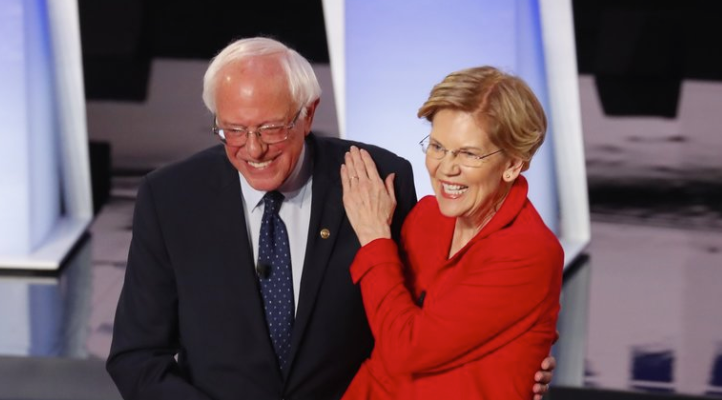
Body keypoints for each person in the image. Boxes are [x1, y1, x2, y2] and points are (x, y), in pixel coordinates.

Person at [106, 37, 555, 400]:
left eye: (271, 128)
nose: (254, 148)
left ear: (308, 114)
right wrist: (510, 355)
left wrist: (511, 357)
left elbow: (406, 331)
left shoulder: (380, 182)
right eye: (234, 130)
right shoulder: (170, 197)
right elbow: (136, 358)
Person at [340, 66, 564, 399]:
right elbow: (387, 340)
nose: (446, 168)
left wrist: (375, 240)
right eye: (438, 147)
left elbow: (406, 348)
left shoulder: (528, 251)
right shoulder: (426, 218)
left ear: (513, 165)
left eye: (469, 153)